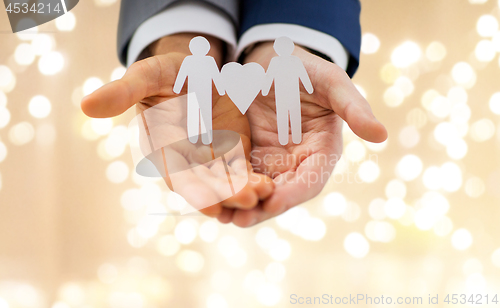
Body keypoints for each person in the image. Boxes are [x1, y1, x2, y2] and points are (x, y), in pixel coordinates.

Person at [81, 0, 388, 227]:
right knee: (200, 115)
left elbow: (298, 80)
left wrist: (291, 41)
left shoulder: (287, 65)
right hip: (199, 92)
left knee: (287, 120)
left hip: (281, 90)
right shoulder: (193, 65)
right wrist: (180, 41)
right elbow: (194, 74)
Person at [173, 36, 225, 144]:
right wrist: (177, 89)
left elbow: (215, 75)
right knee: (195, 114)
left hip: (204, 92)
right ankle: (194, 137)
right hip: (195, 91)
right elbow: (182, 74)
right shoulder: (190, 60)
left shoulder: (208, 60)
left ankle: (205, 138)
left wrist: (221, 90)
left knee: (203, 114)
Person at [262, 37, 313, 145]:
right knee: (286, 115)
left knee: (289, 114)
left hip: (289, 94)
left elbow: (303, 75)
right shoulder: (277, 61)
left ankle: (293, 138)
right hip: (283, 93)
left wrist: (309, 88)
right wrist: (265, 90)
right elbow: (269, 76)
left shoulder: (293, 61)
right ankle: (286, 139)